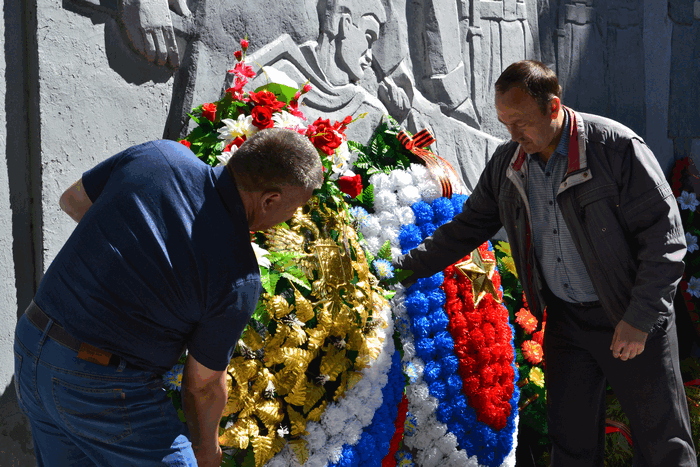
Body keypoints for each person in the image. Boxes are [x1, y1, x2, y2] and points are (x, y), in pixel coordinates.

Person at [396, 60, 697, 466]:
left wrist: (640, 318)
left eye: (521, 121)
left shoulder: (617, 149)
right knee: (569, 441)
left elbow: (665, 242)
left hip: (629, 314)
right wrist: (400, 268)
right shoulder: (508, 163)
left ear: (553, 107)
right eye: (505, 123)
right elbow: (467, 227)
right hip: (568, 322)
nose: (514, 134)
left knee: (663, 444)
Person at [13, 128, 323, 467]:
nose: (291, 217)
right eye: (295, 207)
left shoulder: (159, 156)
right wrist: (207, 451)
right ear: (270, 200)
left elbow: (72, 201)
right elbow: (201, 386)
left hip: (31, 343)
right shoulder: (237, 275)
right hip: (100, 385)